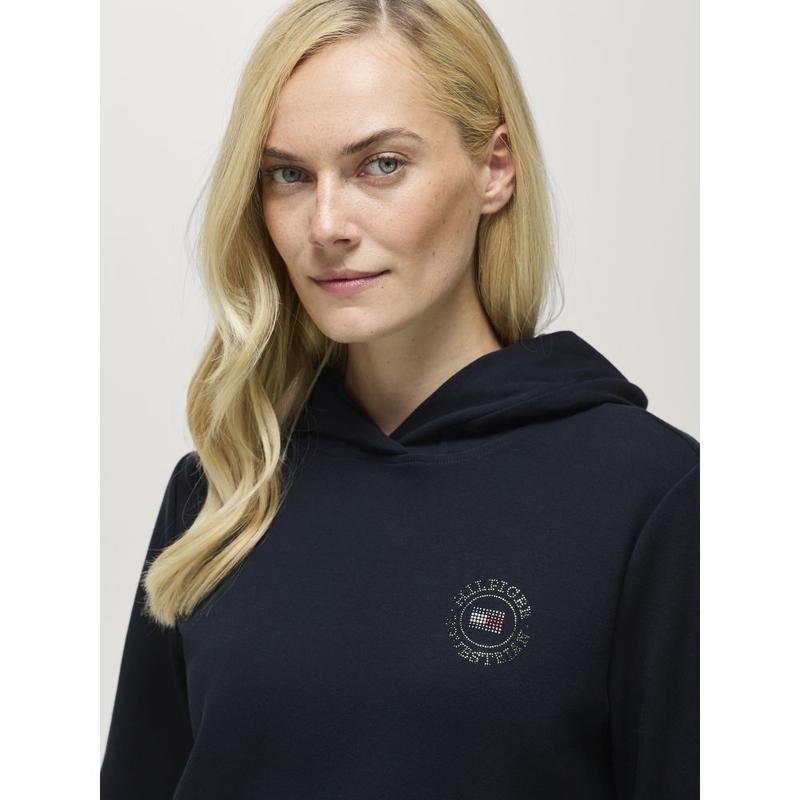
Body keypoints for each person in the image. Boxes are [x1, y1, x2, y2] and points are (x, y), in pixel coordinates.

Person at [101, 0, 699, 798]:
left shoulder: (654, 498)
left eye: (380, 165)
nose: (326, 225)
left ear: (495, 169)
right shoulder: (224, 492)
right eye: (288, 174)